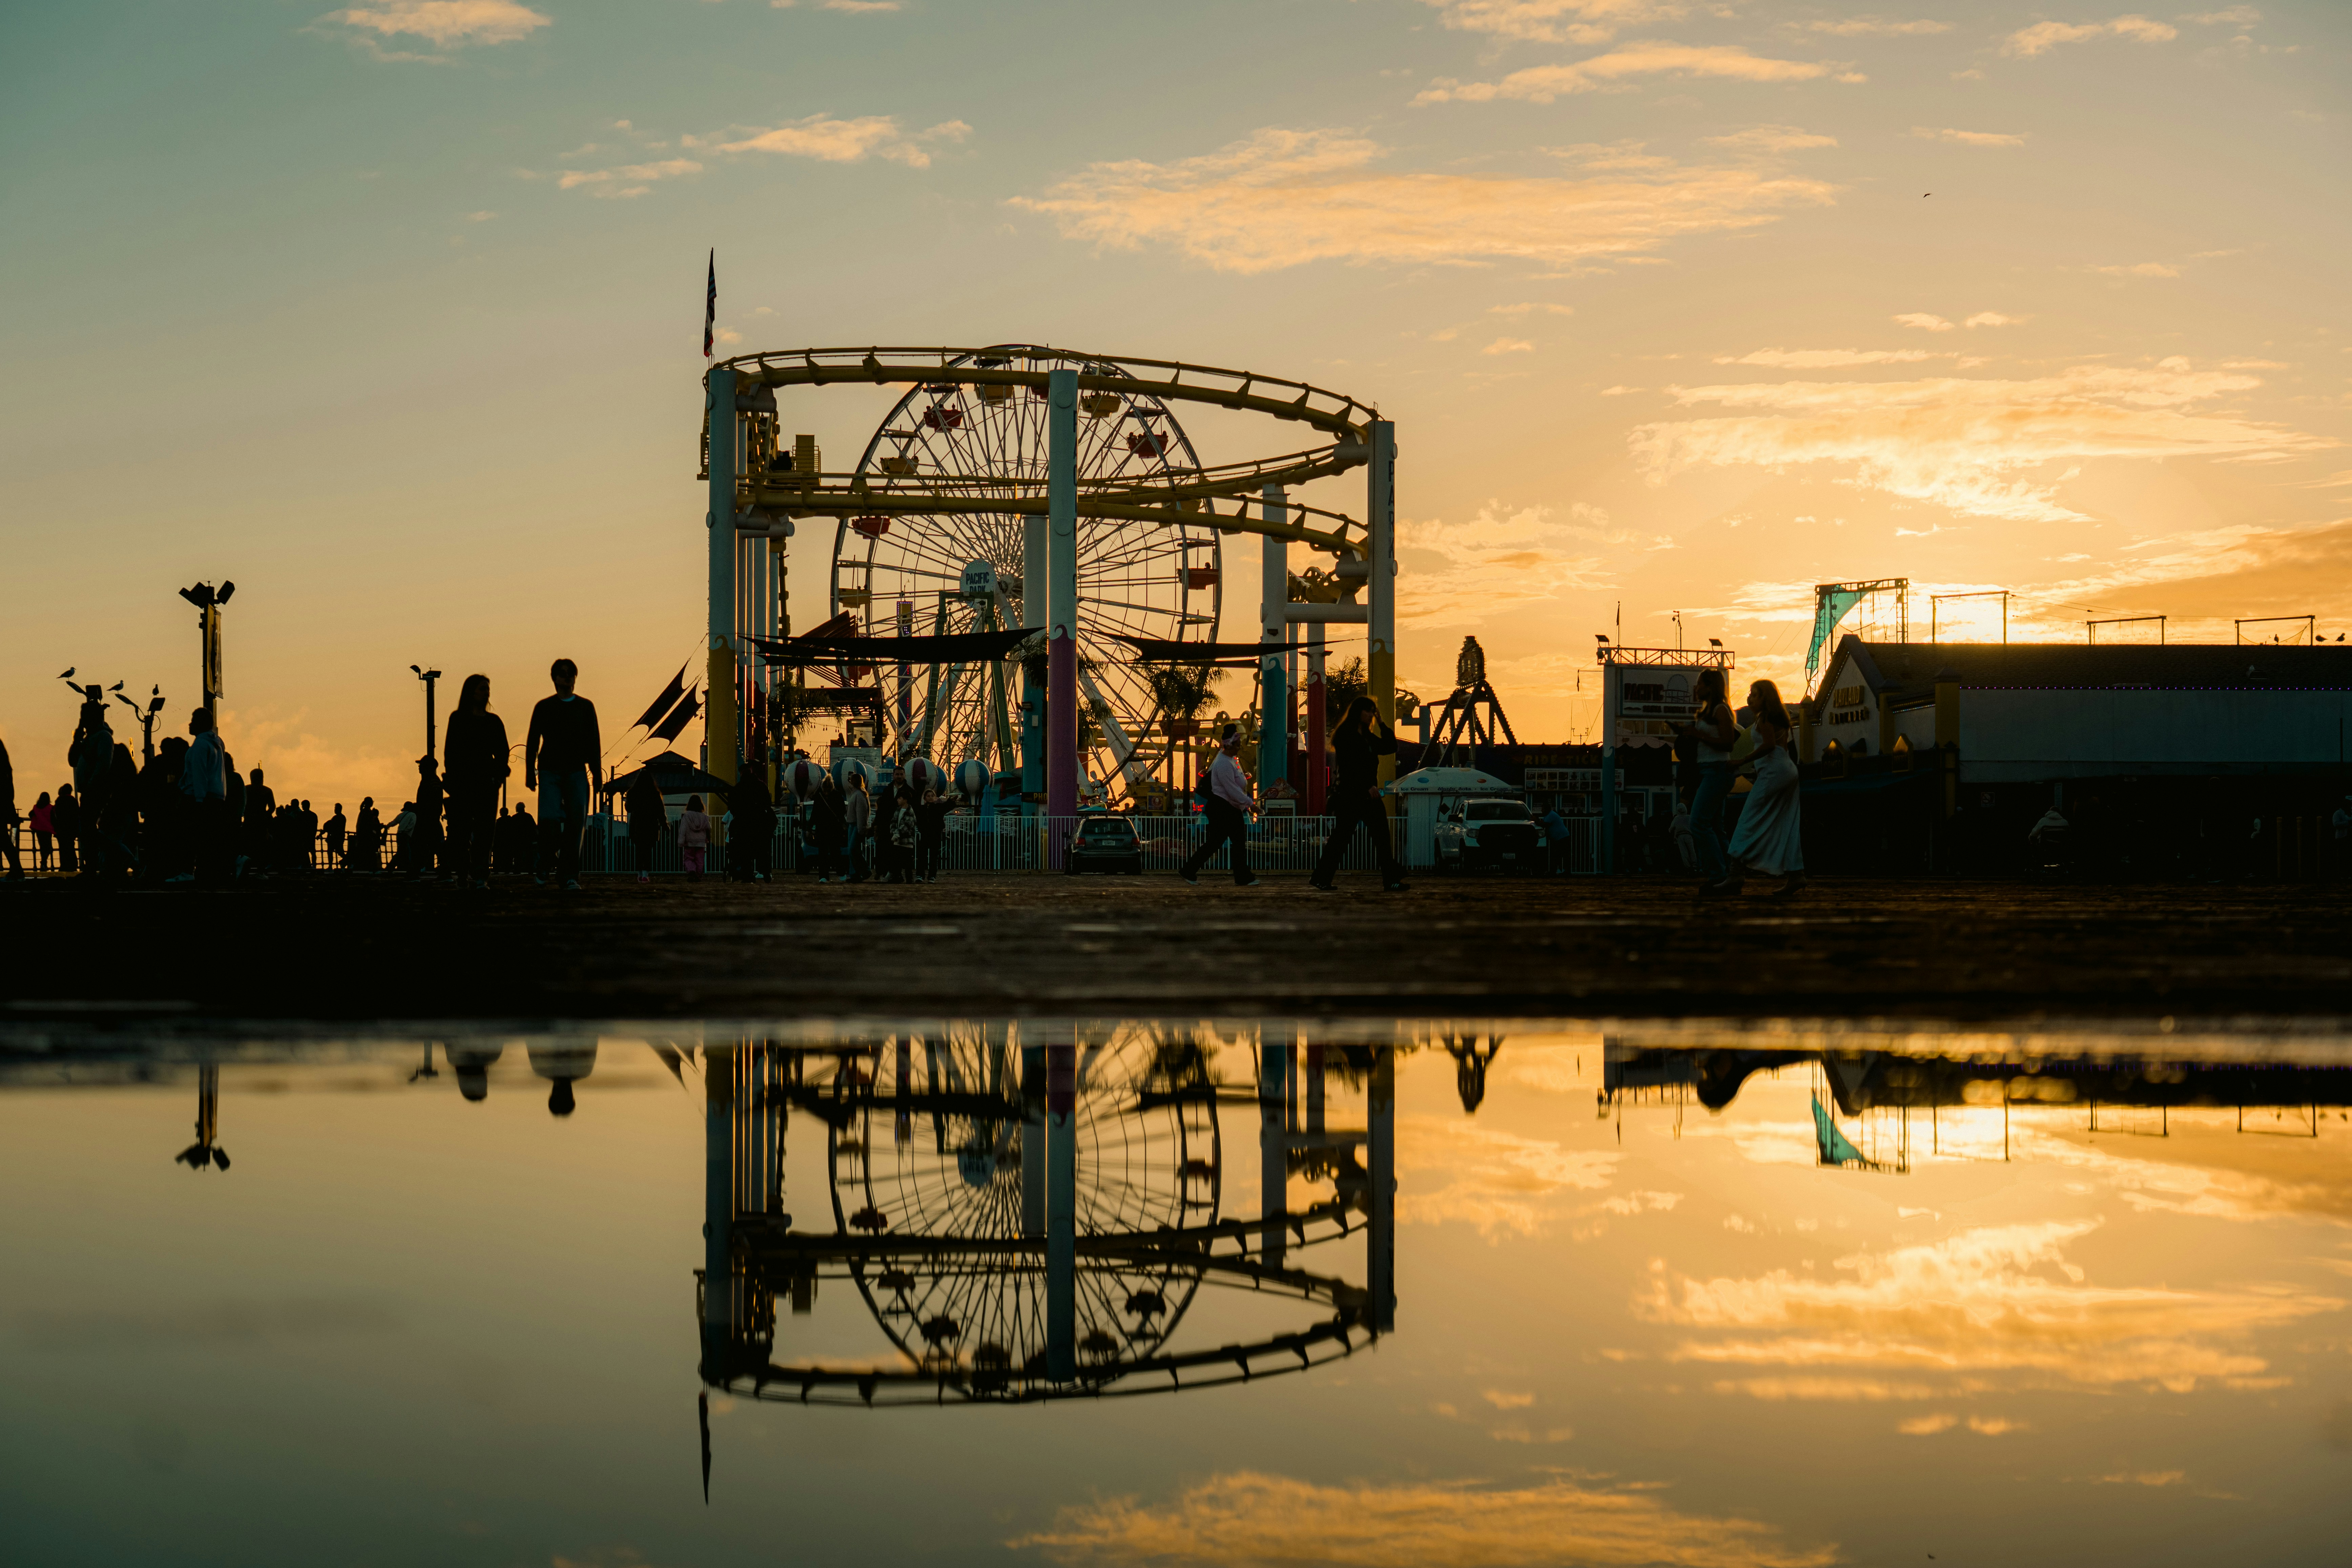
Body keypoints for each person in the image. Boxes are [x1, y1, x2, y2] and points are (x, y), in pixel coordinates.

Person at [1713, 679, 1804, 898]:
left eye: (1754, 695)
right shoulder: (1777, 717)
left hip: (1775, 773)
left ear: (1766, 698)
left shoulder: (1765, 718)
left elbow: (1769, 745)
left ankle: (1736, 875)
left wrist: (1742, 761)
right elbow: (1780, 749)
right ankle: (1796, 875)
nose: (1749, 698)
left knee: (1748, 820)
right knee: (1786, 824)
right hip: (1786, 771)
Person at [1307, 698, 1405, 892]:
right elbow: (1349, 767)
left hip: (1370, 795)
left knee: (1383, 838)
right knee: (1341, 838)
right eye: (1368, 711)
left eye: (1373, 712)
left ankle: (1391, 880)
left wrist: (1383, 723)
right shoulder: (1346, 735)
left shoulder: (1368, 737)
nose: (1371, 715)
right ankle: (1321, 878)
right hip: (1351, 795)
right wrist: (1365, 786)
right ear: (1358, 712)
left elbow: (1390, 747)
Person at [525, 659, 603, 891]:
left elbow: (594, 742)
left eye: (571, 673)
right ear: (555, 678)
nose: (567, 677)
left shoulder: (586, 707)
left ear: (575, 678)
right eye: (563, 673)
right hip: (550, 771)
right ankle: (545, 861)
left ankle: (569, 875)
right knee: (549, 821)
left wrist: (597, 773)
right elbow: (532, 741)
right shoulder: (544, 707)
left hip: (578, 772)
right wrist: (530, 772)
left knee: (576, 823)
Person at [1672, 669, 1739, 889]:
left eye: (1700, 684)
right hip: (1711, 772)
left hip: (1717, 771)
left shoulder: (1720, 709)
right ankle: (1731, 875)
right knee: (1716, 827)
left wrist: (1698, 735)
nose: (1696, 688)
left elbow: (1728, 743)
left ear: (1711, 687)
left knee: (1698, 823)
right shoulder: (1708, 712)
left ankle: (1717, 875)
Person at [443, 675, 510, 890]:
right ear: (471, 692)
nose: (487, 693)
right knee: (461, 831)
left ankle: (480, 875)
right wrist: (452, 779)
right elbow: (450, 752)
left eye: (488, 689)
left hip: (486, 784)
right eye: (483, 689)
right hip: (462, 782)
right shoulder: (457, 719)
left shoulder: (494, 722)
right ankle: (463, 873)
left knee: (484, 832)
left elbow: (502, 753)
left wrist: (497, 779)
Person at [1181, 724, 1262, 887]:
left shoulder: (1229, 761)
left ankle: (1190, 870)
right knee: (1235, 843)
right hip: (1224, 808)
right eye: (1238, 745)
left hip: (1225, 808)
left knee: (1218, 842)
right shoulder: (1224, 764)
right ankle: (1242, 876)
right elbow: (1232, 790)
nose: (1240, 749)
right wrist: (1250, 804)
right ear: (1229, 745)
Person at [179, 707, 229, 884]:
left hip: (199, 797)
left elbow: (199, 774)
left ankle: (187, 871)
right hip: (217, 795)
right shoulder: (218, 742)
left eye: (193, 721)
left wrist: (199, 799)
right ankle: (211, 871)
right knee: (210, 837)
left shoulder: (200, 744)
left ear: (200, 724)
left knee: (192, 836)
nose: (190, 724)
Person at [624, 770, 668, 883]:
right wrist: (665, 826)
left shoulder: (633, 792)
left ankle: (639, 874)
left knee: (638, 850)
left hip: (636, 825)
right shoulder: (655, 794)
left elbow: (628, 809)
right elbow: (661, 812)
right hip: (651, 826)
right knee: (648, 851)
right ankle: (645, 875)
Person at [410, 758, 445, 882]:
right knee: (435, 847)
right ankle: (445, 874)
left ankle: (414, 874)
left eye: (421, 765)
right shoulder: (431, 781)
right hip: (429, 819)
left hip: (428, 819)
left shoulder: (431, 782)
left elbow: (432, 802)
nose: (419, 767)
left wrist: (419, 808)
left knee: (421, 846)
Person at [812, 776, 847, 883]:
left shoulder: (819, 796)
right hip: (835, 829)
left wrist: (810, 828)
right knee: (836, 852)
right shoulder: (838, 796)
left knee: (822, 854)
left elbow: (814, 813)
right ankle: (841, 873)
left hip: (821, 829)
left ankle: (823, 876)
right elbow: (842, 813)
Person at [915, 785, 948, 883]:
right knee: (922, 857)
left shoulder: (938, 808)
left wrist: (951, 800)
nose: (930, 797)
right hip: (925, 834)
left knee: (934, 857)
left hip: (935, 835)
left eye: (932, 796)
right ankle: (920, 876)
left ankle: (932, 877)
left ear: (935, 798)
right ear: (925, 798)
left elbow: (948, 807)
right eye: (928, 796)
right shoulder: (921, 809)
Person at [844, 769, 872, 882]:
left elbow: (862, 814)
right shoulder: (858, 794)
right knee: (854, 850)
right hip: (853, 825)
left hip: (856, 826)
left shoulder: (859, 795)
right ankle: (855, 874)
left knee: (852, 850)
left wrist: (862, 829)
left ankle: (864, 871)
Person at [0, 736, 20, 882]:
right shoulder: (6, 768)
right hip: (5, 805)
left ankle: (17, 870)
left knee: (4, 840)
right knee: (4, 840)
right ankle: (17, 870)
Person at [678, 794, 711, 881]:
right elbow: (709, 828)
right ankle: (698, 875)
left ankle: (692, 872)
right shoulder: (704, 817)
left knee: (689, 858)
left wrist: (681, 842)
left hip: (689, 842)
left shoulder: (687, 816)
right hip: (701, 842)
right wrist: (708, 838)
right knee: (700, 860)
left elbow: (683, 829)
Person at [887, 786, 917, 882]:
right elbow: (893, 822)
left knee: (908, 862)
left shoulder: (910, 812)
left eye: (900, 798)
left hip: (907, 841)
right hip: (898, 841)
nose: (898, 800)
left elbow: (907, 826)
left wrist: (896, 834)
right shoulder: (898, 810)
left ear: (905, 800)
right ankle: (898, 877)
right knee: (896, 860)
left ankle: (909, 878)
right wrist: (894, 832)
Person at [53, 783, 81, 875]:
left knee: (63, 848)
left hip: (62, 829)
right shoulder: (74, 801)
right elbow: (77, 816)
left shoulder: (59, 801)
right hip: (72, 829)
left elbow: (57, 816)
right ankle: (73, 866)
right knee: (71, 847)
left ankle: (64, 867)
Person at [352, 797, 383, 873]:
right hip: (366, 835)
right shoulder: (368, 812)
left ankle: (353, 866)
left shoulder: (363, 811)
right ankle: (373, 870)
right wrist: (380, 826)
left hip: (361, 834)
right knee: (371, 852)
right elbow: (371, 824)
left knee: (360, 851)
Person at [1541, 801, 1572, 875]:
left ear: (1546, 809)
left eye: (1543, 809)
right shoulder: (1549, 815)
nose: (1542, 810)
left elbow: (1545, 824)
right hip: (1560, 838)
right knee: (1558, 855)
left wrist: (1536, 822)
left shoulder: (1551, 815)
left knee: (1558, 855)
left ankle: (1557, 872)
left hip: (1562, 838)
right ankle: (1559, 871)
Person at [30, 790, 55, 872]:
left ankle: (43, 864)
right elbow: (53, 819)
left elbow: (30, 814)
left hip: (39, 830)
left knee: (42, 847)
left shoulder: (36, 807)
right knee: (48, 848)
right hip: (47, 830)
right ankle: (44, 863)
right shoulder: (50, 808)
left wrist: (36, 819)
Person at [324, 802, 347, 869]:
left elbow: (331, 826)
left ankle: (331, 866)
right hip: (339, 838)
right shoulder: (342, 818)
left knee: (335, 852)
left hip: (336, 838)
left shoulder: (337, 818)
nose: (335, 810)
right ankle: (347, 862)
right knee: (337, 852)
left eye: (336, 808)